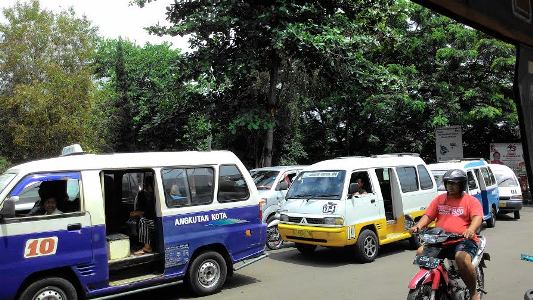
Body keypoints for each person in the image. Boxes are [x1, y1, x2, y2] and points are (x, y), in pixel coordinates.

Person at [410, 169, 483, 300]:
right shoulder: (439, 199)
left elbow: (477, 217)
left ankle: (473, 293)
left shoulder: (470, 201)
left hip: (462, 240)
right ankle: (440, 281)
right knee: (421, 251)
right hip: (441, 239)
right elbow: (428, 215)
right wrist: (418, 226)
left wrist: (471, 229)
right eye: (448, 183)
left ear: (462, 184)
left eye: (454, 183)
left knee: (461, 258)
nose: (450, 185)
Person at [130, 175, 156, 255]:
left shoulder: (155, 195)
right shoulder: (143, 194)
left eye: (146, 184)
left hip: (157, 222)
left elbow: (151, 211)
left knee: (143, 221)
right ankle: (138, 244)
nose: (145, 185)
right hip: (150, 218)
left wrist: (139, 213)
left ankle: (147, 247)